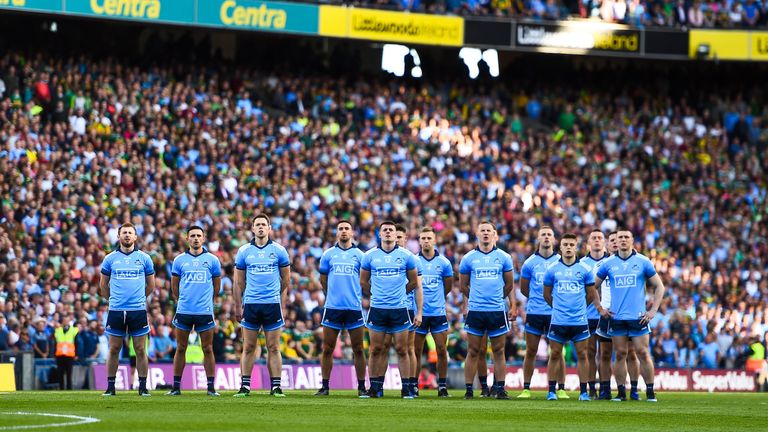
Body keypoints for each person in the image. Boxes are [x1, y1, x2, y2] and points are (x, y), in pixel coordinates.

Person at [594, 228, 665, 402]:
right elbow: (592, 286)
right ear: (616, 242)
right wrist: (600, 309)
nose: (623, 240)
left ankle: (649, 391)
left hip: (638, 317)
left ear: (632, 240)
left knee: (642, 352)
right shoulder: (608, 263)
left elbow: (659, 286)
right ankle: (621, 392)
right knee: (619, 354)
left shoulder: (643, 261)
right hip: (616, 318)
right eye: (620, 238)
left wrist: (653, 310)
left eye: (627, 237)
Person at [233, 214, 291, 398]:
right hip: (251, 304)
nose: (260, 227)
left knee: (273, 347)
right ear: (252, 228)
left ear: (269, 228)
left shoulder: (279, 250)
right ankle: (245, 386)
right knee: (248, 346)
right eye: (257, 224)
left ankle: (276, 387)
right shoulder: (244, 251)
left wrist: (274, 294)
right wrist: (249, 294)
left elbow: (286, 278)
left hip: (272, 304)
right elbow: (239, 280)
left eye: (263, 225)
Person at [361, 221, 419, 399]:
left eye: (390, 230)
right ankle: (375, 388)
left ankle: (407, 388)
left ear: (396, 235)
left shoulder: (407, 256)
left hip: (399, 309)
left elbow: (414, 282)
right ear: (380, 234)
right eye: (384, 230)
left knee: (402, 349)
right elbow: (363, 281)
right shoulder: (370, 255)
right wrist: (376, 294)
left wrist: (399, 294)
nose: (387, 233)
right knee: (375, 349)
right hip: (377, 309)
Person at [459, 221, 514, 400]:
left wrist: (498, 298)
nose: (485, 233)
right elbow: (463, 286)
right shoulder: (468, 258)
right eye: (482, 230)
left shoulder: (504, 257)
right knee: (473, 351)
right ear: (477, 233)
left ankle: (500, 388)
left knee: (499, 351)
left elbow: (509, 285)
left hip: (497, 310)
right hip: (476, 311)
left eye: (488, 231)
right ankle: (469, 389)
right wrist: (475, 298)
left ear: (494, 234)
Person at [99, 222, 156, 397]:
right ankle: (110, 387)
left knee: (140, 349)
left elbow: (151, 285)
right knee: (114, 348)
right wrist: (114, 300)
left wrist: (138, 299)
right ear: (118, 236)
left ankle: (143, 386)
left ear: (135, 237)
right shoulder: (110, 259)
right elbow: (103, 285)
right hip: (116, 310)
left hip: (137, 310)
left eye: (130, 233)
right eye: (124, 232)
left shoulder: (144, 258)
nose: (127, 235)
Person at [314, 220, 368, 397]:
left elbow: (366, 280)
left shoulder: (360, 256)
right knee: (327, 348)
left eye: (347, 229)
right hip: (333, 308)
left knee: (358, 348)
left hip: (354, 308)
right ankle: (325, 386)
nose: (344, 231)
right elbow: (323, 279)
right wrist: (331, 295)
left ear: (352, 233)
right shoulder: (328, 254)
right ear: (336, 233)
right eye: (340, 229)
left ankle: (361, 387)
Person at [167, 225, 222, 397]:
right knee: (181, 347)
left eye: (199, 235)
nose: (196, 238)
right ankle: (176, 387)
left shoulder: (212, 260)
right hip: (184, 310)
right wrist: (182, 300)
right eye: (193, 236)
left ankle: (211, 387)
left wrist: (207, 301)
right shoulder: (179, 260)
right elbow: (174, 286)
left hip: (204, 311)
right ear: (187, 238)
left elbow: (217, 286)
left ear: (204, 239)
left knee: (207, 348)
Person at [543, 233, 598, 401]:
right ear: (560, 247)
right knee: (555, 355)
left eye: (571, 245)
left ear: (576, 247)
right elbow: (546, 295)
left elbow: (591, 295)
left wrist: (579, 309)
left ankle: (583, 392)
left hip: (579, 320)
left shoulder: (584, 270)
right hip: (559, 320)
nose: (568, 247)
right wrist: (559, 308)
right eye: (565, 244)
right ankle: (552, 391)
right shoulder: (552, 269)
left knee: (583, 355)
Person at [517, 226, 566, 399]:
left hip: (555, 313)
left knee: (557, 351)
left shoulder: (562, 261)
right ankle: (526, 388)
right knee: (531, 351)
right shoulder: (530, 263)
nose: (546, 237)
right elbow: (524, 289)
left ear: (554, 239)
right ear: (538, 239)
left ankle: (560, 388)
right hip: (535, 312)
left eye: (549, 235)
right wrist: (538, 299)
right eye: (543, 235)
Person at [597, 231, 642, 400]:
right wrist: (599, 307)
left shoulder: (631, 262)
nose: (616, 243)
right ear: (607, 244)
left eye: (619, 240)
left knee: (629, 353)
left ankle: (632, 389)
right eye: (612, 240)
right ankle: (605, 389)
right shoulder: (603, 265)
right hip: (606, 314)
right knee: (605, 354)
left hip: (624, 315)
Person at [413, 227, 454, 397]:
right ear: (419, 241)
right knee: (415, 351)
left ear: (435, 240)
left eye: (429, 238)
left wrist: (437, 300)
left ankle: (442, 385)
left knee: (441, 350)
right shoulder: (414, 261)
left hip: (437, 313)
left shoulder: (444, 262)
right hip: (418, 313)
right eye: (423, 238)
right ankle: (413, 385)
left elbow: (448, 286)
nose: (426, 241)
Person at [579, 229, 609, 399]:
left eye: (600, 237)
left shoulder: (611, 262)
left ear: (604, 241)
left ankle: (606, 388)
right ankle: (591, 388)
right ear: (589, 242)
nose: (597, 240)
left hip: (607, 315)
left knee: (605, 353)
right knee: (589, 352)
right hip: (588, 315)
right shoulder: (582, 264)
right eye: (594, 238)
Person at [395, 224, 424, 398]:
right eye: (395, 236)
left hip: (407, 307)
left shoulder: (412, 259)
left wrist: (418, 311)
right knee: (384, 346)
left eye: (400, 237)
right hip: (389, 307)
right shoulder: (385, 257)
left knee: (408, 348)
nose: (397, 239)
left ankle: (412, 383)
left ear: (405, 239)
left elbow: (417, 287)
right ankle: (379, 384)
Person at [54, 315, 78, 390]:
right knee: (60, 373)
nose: (66, 322)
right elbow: (55, 342)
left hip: (69, 355)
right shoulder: (58, 330)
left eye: (67, 320)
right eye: (64, 320)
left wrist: (76, 354)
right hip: (60, 355)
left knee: (69, 374)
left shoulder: (74, 330)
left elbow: (77, 343)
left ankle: (69, 388)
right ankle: (61, 388)